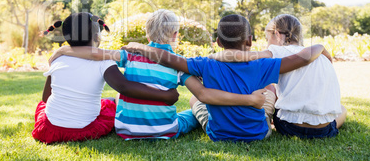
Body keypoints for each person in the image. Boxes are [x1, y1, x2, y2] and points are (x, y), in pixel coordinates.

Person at [49, 10, 267, 140]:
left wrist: (64, 50)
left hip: (125, 130)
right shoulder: (179, 64)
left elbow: (96, 53)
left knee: (118, 99)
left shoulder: (129, 55)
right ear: (175, 35)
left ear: (146, 33)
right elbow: (201, 93)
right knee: (191, 111)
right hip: (166, 130)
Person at [121, 14, 332, 142]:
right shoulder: (263, 64)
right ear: (249, 40)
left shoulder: (205, 63)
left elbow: (172, 60)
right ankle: (264, 118)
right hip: (258, 134)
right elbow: (303, 58)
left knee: (196, 99)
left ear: (218, 43)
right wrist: (320, 47)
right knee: (269, 89)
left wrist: (141, 47)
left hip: (219, 133)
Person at [32, 12, 181, 144]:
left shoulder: (58, 59)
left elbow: (45, 98)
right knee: (111, 104)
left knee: (107, 101)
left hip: (49, 129)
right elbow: (124, 87)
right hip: (85, 129)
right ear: (97, 37)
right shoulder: (104, 61)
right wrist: (165, 95)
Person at [212, 14, 346, 139]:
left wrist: (212, 57)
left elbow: (241, 56)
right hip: (323, 130)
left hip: (289, 127)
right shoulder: (319, 56)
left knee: (269, 87)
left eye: (267, 39)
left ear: (276, 34)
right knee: (343, 109)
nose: (267, 44)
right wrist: (320, 47)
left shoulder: (276, 51)